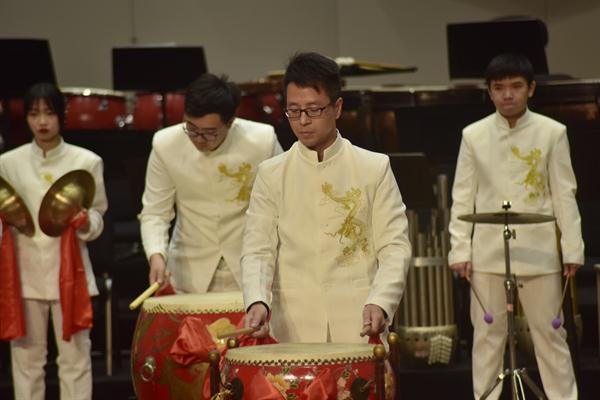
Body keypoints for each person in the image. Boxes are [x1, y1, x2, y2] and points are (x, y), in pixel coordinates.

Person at [242, 52, 412, 343]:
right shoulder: (271, 173)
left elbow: (394, 246)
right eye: (294, 110)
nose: (303, 121)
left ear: (337, 107)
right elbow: (258, 249)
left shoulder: (374, 167)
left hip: (359, 320)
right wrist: (257, 301)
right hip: (294, 326)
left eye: (314, 110)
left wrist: (381, 301)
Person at [448, 53, 583, 399]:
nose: (507, 94)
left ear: (531, 88)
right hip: (489, 249)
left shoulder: (552, 132)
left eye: (516, 86)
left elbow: (564, 194)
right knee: (487, 336)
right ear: (489, 92)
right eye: (499, 87)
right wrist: (459, 249)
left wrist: (572, 249)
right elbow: (462, 197)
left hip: (538, 248)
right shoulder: (473, 135)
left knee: (550, 334)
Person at [0, 82, 108, 400]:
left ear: (62, 115)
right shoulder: (8, 162)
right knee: (27, 361)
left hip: (70, 271)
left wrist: (84, 221)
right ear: (26, 118)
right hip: (25, 271)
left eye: (49, 113)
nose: (42, 121)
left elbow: (98, 217)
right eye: (34, 114)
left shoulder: (87, 160)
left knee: (75, 359)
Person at [139, 73, 283, 293]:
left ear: (230, 122)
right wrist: (156, 255)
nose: (199, 139)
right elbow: (155, 212)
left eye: (209, 133)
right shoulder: (165, 144)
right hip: (190, 267)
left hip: (250, 265)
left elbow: (282, 203)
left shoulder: (262, 140)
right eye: (191, 129)